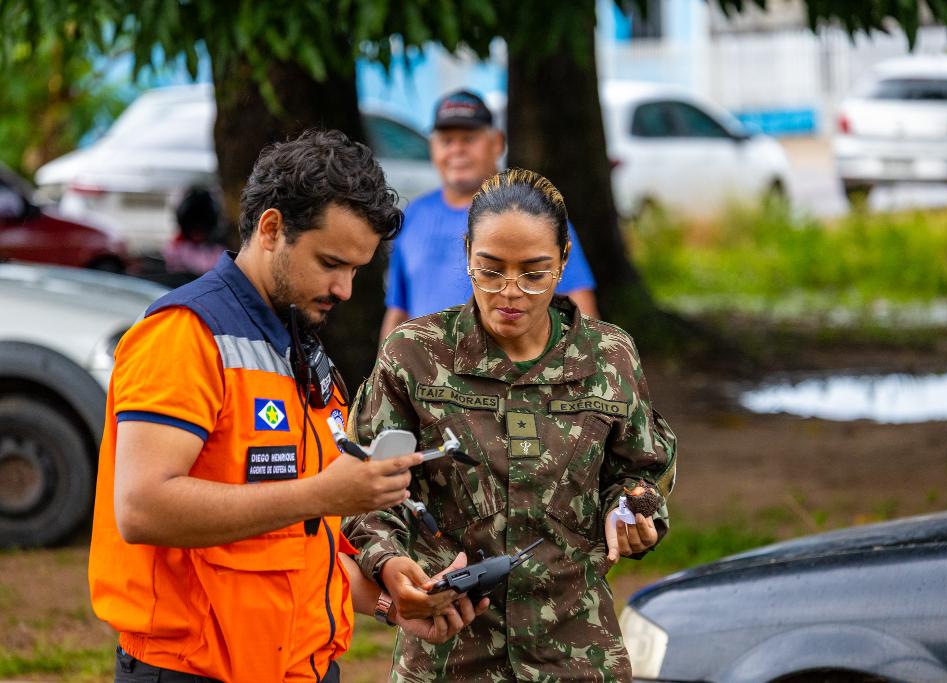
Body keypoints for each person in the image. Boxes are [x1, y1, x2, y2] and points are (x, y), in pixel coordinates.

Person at [88, 129, 484, 683]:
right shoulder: (184, 336)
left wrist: (394, 595)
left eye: (356, 270)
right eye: (331, 262)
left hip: (305, 667)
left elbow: (297, 544)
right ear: (271, 229)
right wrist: (324, 493)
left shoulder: (300, 348)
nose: (345, 288)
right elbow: (141, 508)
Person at [345, 168, 677, 681]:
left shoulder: (610, 357)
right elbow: (363, 489)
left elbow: (642, 468)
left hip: (576, 652)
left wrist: (630, 511)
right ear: (467, 255)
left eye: (534, 272)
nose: (510, 293)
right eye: (491, 270)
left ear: (565, 259)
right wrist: (389, 563)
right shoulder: (413, 356)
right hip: (448, 654)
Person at [379, 89, 599, 342]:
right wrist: (383, 370)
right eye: (446, 141)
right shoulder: (415, 215)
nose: (457, 150)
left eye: (468, 139)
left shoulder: (537, 215)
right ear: (432, 148)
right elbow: (398, 309)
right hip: (424, 375)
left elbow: (582, 313)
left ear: (497, 143)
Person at [161, 185, 226, 276]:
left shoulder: (217, 250)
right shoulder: (176, 248)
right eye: (194, 229)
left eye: (201, 229)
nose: (197, 234)